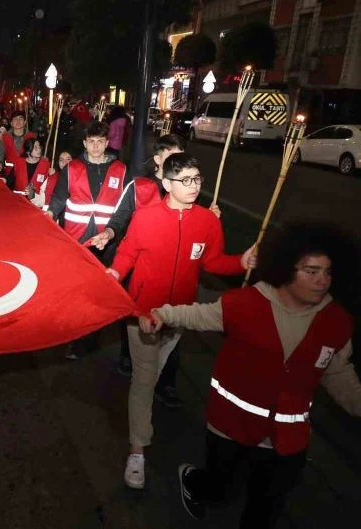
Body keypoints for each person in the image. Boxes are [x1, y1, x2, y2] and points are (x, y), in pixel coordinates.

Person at [139, 222, 361, 528]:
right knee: (222, 491)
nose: (322, 281)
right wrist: (162, 314)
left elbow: (337, 371)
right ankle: (195, 481)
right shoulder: (244, 304)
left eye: (328, 273)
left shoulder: (337, 322)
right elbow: (198, 314)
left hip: (288, 439)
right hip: (230, 426)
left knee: (266, 507)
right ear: (285, 268)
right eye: (312, 271)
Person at [106, 152, 257, 490]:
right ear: (166, 183)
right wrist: (113, 275)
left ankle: (140, 415)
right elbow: (127, 254)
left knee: (154, 373)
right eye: (185, 180)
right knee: (145, 380)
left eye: (197, 179)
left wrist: (241, 261)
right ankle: (137, 452)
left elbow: (214, 262)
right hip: (142, 314)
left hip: (181, 315)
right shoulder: (144, 218)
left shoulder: (207, 221)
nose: (193, 186)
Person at [89, 133, 194, 404]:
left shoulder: (187, 187)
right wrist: (109, 234)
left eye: (181, 154)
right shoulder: (140, 188)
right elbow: (120, 217)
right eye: (172, 155)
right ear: (158, 160)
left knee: (173, 324)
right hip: (138, 265)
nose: (177, 160)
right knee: (135, 315)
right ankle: (127, 356)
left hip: (173, 269)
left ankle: (167, 382)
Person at [47, 121, 127, 254]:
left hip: (106, 239)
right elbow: (58, 197)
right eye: (91, 141)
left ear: (107, 143)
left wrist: (112, 231)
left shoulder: (121, 170)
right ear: (85, 143)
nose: (95, 146)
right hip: (75, 235)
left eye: (100, 141)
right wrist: (51, 213)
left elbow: (124, 208)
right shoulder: (72, 168)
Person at [0, 111, 37, 187]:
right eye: (15, 119)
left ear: (25, 122)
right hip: (9, 172)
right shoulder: (5, 137)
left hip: (26, 172)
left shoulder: (31, 136)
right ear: (11, 123)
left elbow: (36, 153)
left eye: (20, 119)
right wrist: (0, 162)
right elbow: (1, 152)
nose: (18, 121)